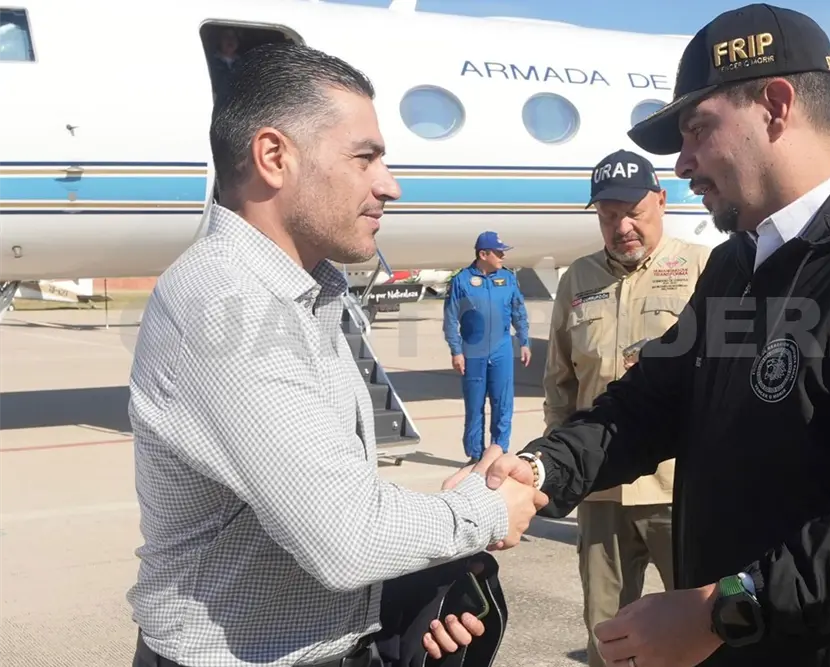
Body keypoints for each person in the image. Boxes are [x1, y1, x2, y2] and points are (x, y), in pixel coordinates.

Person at [459, 4, 830, 667]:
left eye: (696, 129)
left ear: (776, 105)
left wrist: (725, 607)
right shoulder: (738, 263)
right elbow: (650, 404)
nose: (683, 162)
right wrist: (541, 470)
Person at [126, 43, 544, 667]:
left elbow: (325, 500)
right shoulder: (226, 302)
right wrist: (485, 513)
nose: (390, 185)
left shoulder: (300, 294)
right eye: (365, 158)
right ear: (274, 157)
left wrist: (419, 579)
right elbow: (346, 536)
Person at [542, 148, 711, 667]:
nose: (622, 227)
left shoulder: (702, 268)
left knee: (699, 630)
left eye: (633, 211)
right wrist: (562, 468)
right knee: (608, 635)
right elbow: (560, 384)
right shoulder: (578, 279)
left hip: (679, 488)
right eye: (608, 216)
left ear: (661, 201)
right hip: (601, 491)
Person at [442, 231, 531, 463]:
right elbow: (451, 319)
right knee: (475, 405)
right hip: (473, 351)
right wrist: (456, 351)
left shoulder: (508, 278)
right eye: (499, 252)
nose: (503, 256)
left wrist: (524, 341)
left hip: (501, 349)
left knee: (503, 403)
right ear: (483, 254)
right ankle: (475, 454)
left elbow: (518, 311)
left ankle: (498, 450)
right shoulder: (461, 281)